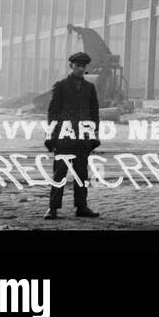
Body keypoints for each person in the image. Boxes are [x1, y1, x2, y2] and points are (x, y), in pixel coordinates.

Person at [44, 51, 101, 219]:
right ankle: (53, 208)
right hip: (64, 137)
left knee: (82, 174)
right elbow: (52, 112)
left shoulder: (90, 88)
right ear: (71, 66)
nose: (80, 69)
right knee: (59, 173)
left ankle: (81, 207)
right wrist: (51, 135)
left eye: (83, 66)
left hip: (83, 138)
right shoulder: (60, 86)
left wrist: (94, 134)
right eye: (77, 66)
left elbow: (94, 112)